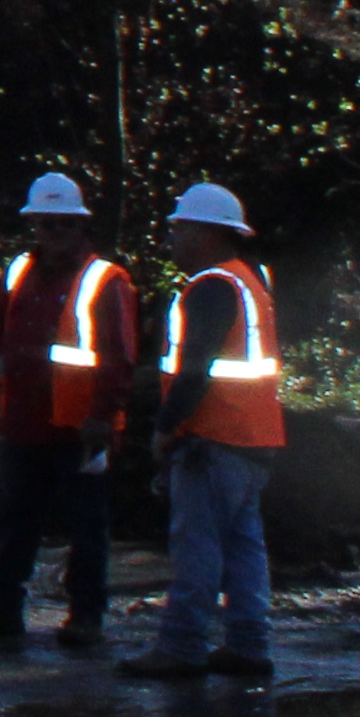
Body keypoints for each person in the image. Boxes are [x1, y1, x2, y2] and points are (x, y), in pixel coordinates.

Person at [0, 171, 136, 649]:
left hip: (80, 426)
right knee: (14, 519)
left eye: (63, 225)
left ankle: (85, 616)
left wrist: (101, 416)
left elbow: (119, 357)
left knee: (87, 526)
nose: (54, 234)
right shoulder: (19, 270)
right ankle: (1, 609)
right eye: (46, 224)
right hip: (26, 422)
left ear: (79, 226)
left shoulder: (105, 280)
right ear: (35, 225)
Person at [122, 179, 286, 684]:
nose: (172, 239)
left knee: (197, 546)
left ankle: (182, 647)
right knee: (243, 548)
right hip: (253, 438)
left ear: (204, 233)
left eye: (178, 229)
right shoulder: (249, 280)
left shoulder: (213, 286)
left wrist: (167, 428)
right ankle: (247, 645)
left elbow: (195, 370)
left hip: (213, 437)